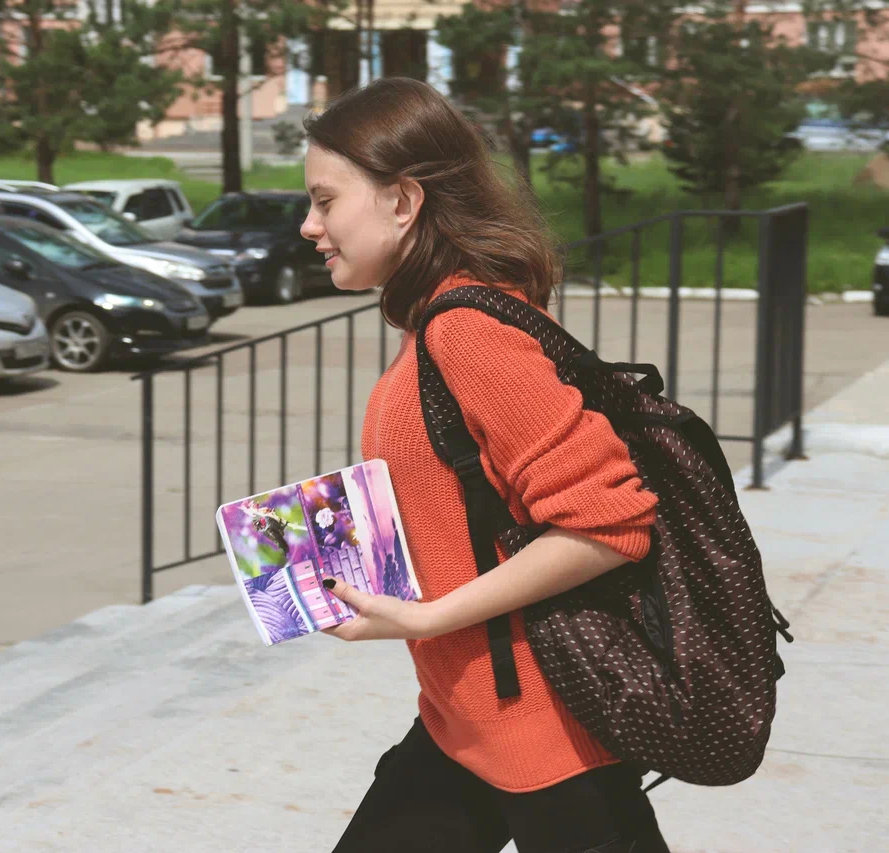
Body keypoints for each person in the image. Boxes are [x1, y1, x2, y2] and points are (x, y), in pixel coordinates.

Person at [298, 78, 669, 853]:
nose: (310, 225)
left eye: (325, 201)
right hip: (463, 718)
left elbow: (610, 524)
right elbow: (467, 498)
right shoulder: (432, 322)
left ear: (403, 201)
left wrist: (426, 617)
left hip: (548, 738)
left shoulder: (468, 328)